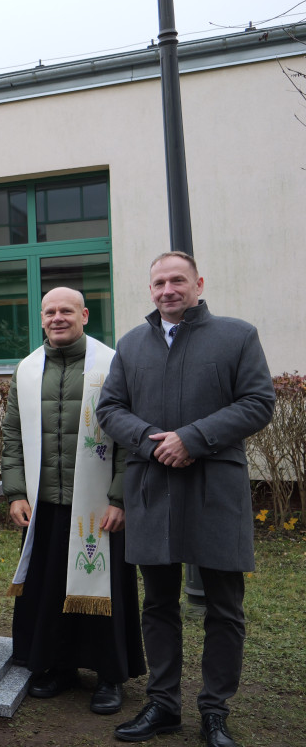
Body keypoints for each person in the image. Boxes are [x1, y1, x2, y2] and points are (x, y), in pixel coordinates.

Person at [97, 252, 274, 747]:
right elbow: (109, 407)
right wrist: (155, 438)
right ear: (150, 289)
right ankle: (164, 705)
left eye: (177, 280)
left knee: (224, 605)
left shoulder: (237, 335)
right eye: (159, 282)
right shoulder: (131, 344)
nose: (167, 289)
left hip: (216, 487)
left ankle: (215, 712)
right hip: (153, 487)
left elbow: (259, 402)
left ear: (198, 283)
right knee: (157, 603)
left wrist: (192, 438)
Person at [2, 288, 145, 717]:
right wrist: (14, 492)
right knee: (49, 591)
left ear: (84, 315)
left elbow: (128, 438)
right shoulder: (27, 370)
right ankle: (59, 667)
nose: (58, 317)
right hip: (45, 504)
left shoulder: (112, 364)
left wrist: (120, 498)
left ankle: (109, 676)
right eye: (50, 312)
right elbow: (12, 437)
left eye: (67, 310)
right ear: (41, 319)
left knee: (105, 592)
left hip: (98, 505)